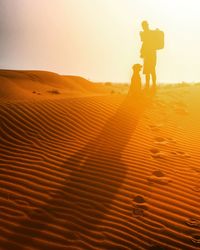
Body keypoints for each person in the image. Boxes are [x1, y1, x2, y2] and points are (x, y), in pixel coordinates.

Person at [140, 21, 157, 89]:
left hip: (150, 54)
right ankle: (149, 85)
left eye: (144, 26)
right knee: (148, 70)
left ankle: (152, 85)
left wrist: (142, 52)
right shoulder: (150, 33)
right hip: (149, 54)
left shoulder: (148, 33)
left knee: (151, 70)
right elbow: (144, 43)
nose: (143, 27)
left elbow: (144, 43)